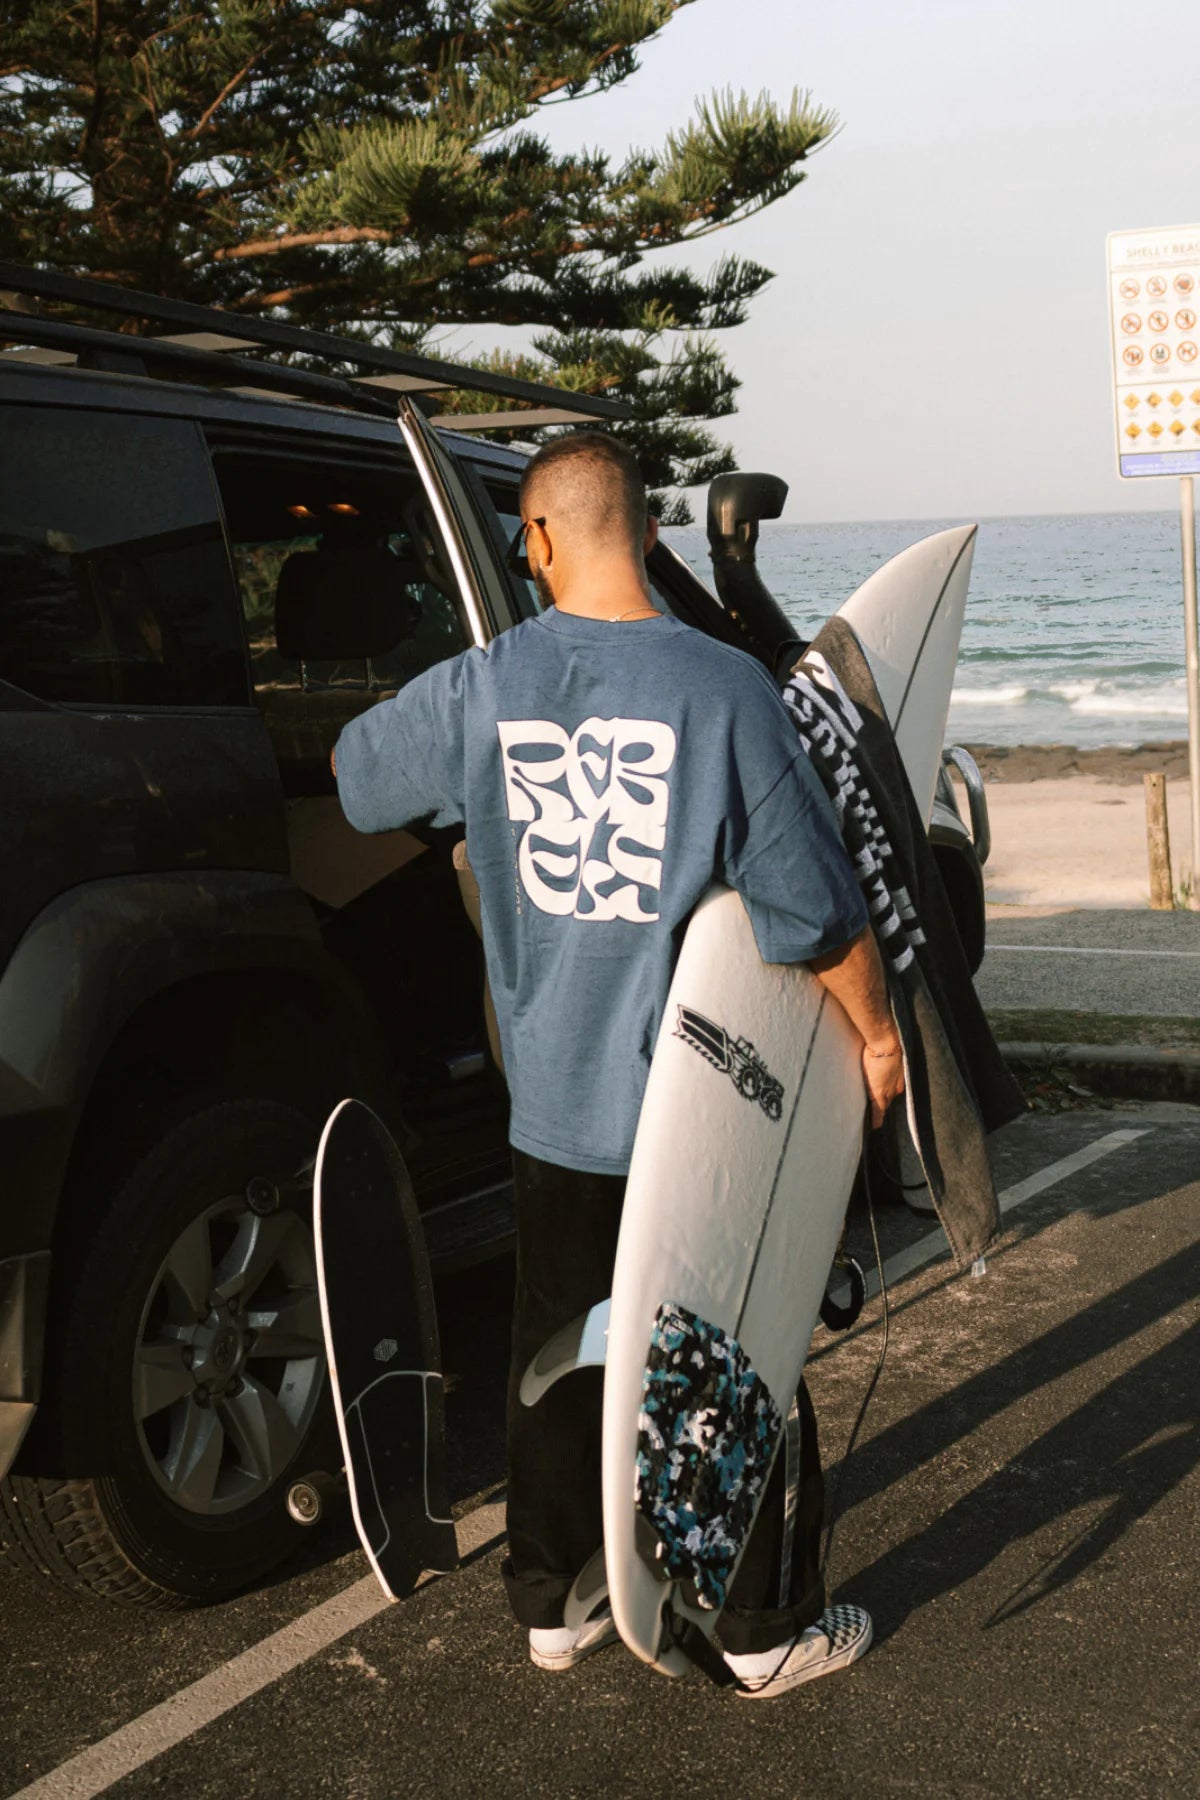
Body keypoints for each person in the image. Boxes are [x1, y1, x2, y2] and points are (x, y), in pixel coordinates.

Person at [333, 434, 905, 1699]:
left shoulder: (485, 684)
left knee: (557, 1348)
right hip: (693, 1112)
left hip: (551, 1108)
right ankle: (756, 1632)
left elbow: (356, 785)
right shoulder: (726, 691)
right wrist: (874, 1036)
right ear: (647, 533)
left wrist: (475, 749)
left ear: (534, 544)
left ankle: (552, 1603)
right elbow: (815, 914)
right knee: (726, 1353)